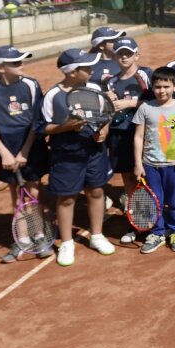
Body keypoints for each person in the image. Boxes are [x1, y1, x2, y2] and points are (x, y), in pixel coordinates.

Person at [0, 45, 51, 262]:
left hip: (31, 146)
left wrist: (25, 151)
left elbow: (36, 120)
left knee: (34, 192)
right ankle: (22, 239)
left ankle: (39, 235)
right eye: (16, 62)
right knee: (16, 195)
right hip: (6, 149)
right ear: (1, 67)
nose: (22, 65)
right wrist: (5, 154)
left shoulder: (31, 84)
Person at [43, 49, 116, 266]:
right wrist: (64, 127)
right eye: (86, 67)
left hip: (93, 152)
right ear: (73, 72)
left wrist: (105, 130)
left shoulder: (95, 88)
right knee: (66, 198)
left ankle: (97, 236)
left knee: (96, 191)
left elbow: (106, 115)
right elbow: (43, 128)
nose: (91, 70)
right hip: (66, 156)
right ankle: (66, 243)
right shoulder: (52, 96)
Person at [132, 67, 175, 254]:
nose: (162, 91)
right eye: (158, 87)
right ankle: (157, 232)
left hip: (174, 164)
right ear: (152, 87)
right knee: (154, 200)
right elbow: (138, 137)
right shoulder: (145, 108)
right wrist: (138, 163)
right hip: (151, 165)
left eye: (166, 86)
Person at [104, 38, 152, 244]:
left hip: (144, 135)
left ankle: (155, 222)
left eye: (128, 53)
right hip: (119, 135)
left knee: (149, 179)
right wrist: (109, 101)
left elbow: (157, 100)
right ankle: (138, 223)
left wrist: (128, 103)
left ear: (136, 55)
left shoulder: (146, 74)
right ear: (114, 56)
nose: (124, 57)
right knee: (129, 180)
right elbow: (107, 110)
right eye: (120, 53)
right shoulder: (110, 82)